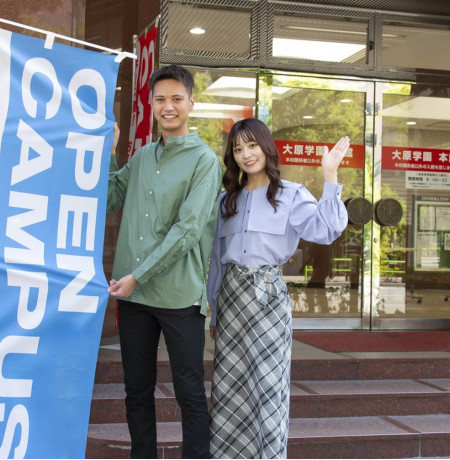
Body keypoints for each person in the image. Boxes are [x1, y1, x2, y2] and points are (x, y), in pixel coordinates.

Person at [207, 118, 349, 459]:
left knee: (268, 386)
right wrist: (214, 310)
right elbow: (217, 262)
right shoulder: (227, 200)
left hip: (268, 298)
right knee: (229, 387)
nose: (245, 155)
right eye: (237, 149)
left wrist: (330, 175)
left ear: (266, 147)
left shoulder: (290, 194)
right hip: (231, 302)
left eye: (252, 145)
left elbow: (326, 230)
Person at [107, 65, 223, 459]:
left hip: (178, 296)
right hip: (134, 297)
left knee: (189, 390)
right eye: (160, 99)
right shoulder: (142, 156)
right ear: (151, 104)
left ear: (191, 102)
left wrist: (137, 276)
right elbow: (109, 200)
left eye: (176, 98)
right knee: (136, 390)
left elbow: (187, 231)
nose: (168, 106)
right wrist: (108, 153)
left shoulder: (205, 161)